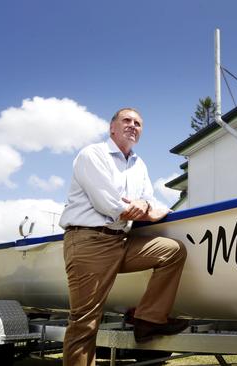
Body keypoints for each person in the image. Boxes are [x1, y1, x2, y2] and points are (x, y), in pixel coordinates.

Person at [59, 107, 188, 366]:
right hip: (89, 241)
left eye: (138, 123)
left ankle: (148, 321)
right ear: (112, 128)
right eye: (126, 120)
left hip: (120, 241)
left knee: (172, 250)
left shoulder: (139, 165)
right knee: (85, 322)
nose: (133, 125)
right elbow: (112, 206)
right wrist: (145, 211)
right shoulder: (92, 155)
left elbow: (149, 200)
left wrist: (146, 206)